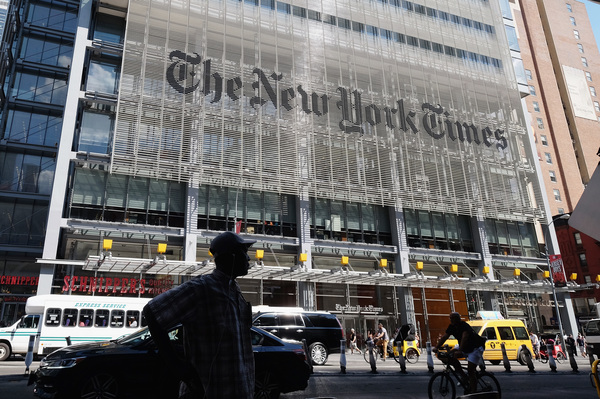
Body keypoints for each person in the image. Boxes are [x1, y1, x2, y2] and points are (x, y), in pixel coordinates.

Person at [143, 231, 256, 398]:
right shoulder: (201, 288)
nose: (248, 259)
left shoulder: (235, 291)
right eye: (244, 252)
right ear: (231, 256)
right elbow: (152, 312)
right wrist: (178, 367)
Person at [435, 312, 486, 395]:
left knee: (470, 370)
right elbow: (445, 337)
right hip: (464, 347)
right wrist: (436, 347)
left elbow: (465, 337)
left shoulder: (464, 325)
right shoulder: (452, 327)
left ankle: (474, 392)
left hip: (475, 347)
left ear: (458, 318)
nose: (452, 320)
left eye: (453, 318)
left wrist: (460, 350)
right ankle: (464, 377)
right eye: (450, 318)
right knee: (450, 357)